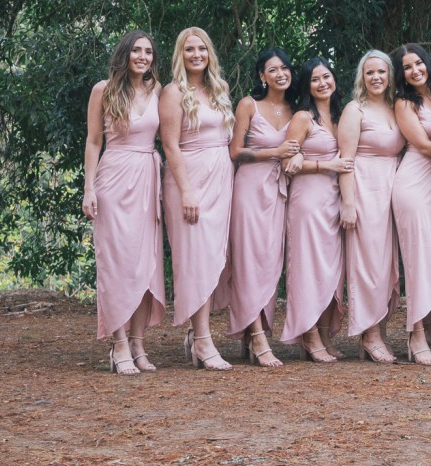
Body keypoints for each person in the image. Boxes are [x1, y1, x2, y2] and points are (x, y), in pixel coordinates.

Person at [83, 29, 166, 375]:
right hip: (114, 177)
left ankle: (138, 344)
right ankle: (118, 344)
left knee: (146, 265)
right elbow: (93, 141)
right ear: (125, 54)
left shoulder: (158, 90)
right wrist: (89, 188)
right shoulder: (103, 90)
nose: (142, 57)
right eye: (136, 50)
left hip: (147, 177)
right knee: (116, 262)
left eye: (148, 52)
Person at [160, 27, 235, 370]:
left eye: (201, 49)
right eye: (189, 49)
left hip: (220, 180)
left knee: (213, 257)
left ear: (209, 54)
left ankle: (197, 333)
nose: (196, 55)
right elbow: (170, 144)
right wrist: (186, 189)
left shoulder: (220, 89)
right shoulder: (173, 92)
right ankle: (204, 341)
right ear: (180, 54)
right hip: (188, 181)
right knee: (195, 259)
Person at [226, 49, 301, 367]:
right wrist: (274, 152)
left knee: (270, 261)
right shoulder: (248, 105)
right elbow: (234, 151)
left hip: (279, 191)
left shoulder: (297, 109)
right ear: (262, 76)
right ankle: (257, 336)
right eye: (273, 69)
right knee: (249, 260)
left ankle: (251, 331)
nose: (281, 74)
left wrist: (295, 155)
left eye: (285, 68)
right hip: (250, 188)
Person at [281, 57, 352, 362]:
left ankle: (323, 332)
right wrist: (325, 165)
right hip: (308, 201)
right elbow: (287, 162)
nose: (322, 83)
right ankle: (308, 334)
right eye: (315, 79)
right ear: (307, 86)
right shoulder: (303, 117)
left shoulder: (340, 116)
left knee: (330, 269)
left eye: (326, 76)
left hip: (333, 199)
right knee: (307, 266)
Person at [336, 50, 404, 364]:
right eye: (369, 72)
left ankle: (380, 328)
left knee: (387, 265)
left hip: (391, 191)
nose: (376, 77)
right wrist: (348, 203)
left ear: (390, 75)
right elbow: (346, 161)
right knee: (369, 264)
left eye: (381, 72)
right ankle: (369, 334)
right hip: (365, 189)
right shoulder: (355, 110)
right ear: (362, 78)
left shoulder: (396, 107)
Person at [390, 44, 431, 365]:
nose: (415, 71)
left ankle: (430, 327)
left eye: (418, 64)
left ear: (427, 63)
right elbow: (428, 146)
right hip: (414, 184)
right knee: (418, 259)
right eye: (407, 67)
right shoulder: (404, 103)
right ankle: (414, 334)